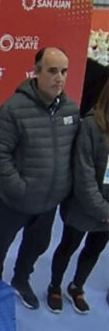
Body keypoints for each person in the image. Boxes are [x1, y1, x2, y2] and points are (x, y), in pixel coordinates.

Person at [0, 47, 79, 310]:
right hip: (14, 201)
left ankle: (21, 280)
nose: (59, 78)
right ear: (36, 73)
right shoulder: (14, 109)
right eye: (52, 71)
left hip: (49, 202)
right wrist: (18, 188)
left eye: (63, 71)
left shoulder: (71, 109)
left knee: (36, 246)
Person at [46, 80, 109, 315]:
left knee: (94, 250)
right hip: (83, 207)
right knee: (68, 247)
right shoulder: (91, 126)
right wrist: (104, 210)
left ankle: (77, 287)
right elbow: (84, 177)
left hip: (107, 214)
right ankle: (54, 287)